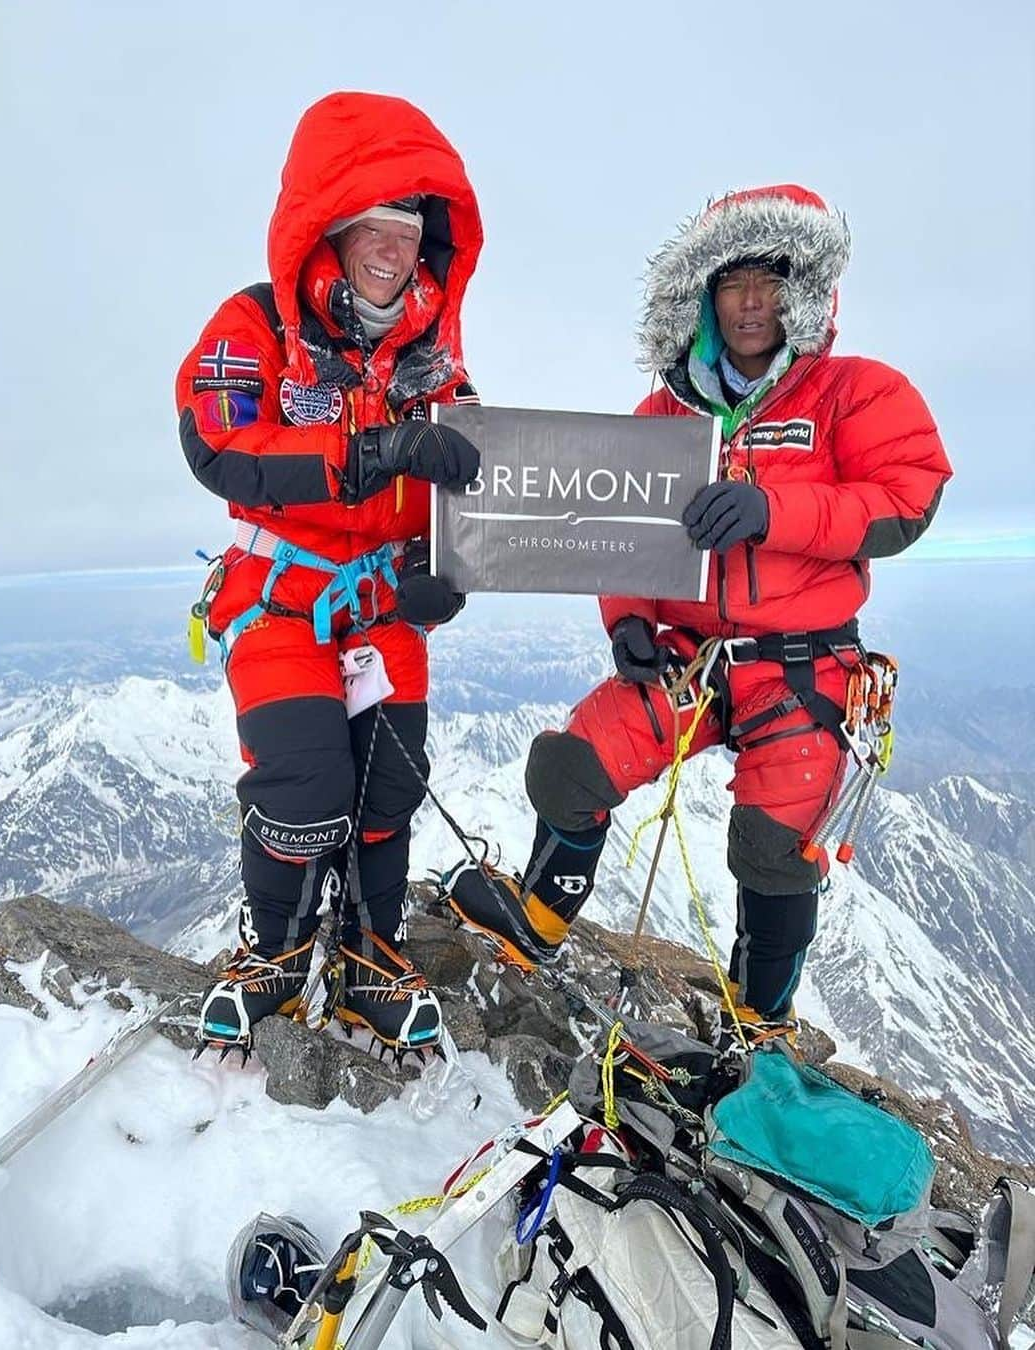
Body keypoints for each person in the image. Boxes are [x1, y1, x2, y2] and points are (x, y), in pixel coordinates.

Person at [447, 184, 951, 1041]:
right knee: (572, 768)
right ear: (705, 300)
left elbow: (909, 498)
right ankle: (536, 923)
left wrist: (774, 515)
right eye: (732, 284)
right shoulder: (665, 412)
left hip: (803, 664)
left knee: (773, 850)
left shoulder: (853, 393)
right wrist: (627, 620)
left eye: (769, 281)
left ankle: (760, 1020)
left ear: (804, 290)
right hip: (685, 653)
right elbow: (618, 530)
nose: (751, 302)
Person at [176, 91, 483, 1056]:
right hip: (279, 599)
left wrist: (447, 572)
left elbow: (475, 486)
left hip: (386, 604)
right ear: (332, 231)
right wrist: (369, 453)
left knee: (389, 787)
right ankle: (272, 947)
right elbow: (219, 446)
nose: (393, 252)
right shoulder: (256, 322)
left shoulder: (437, 360)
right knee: (307, 787)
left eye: (408, 231)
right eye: (373, 231)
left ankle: (366, 956)